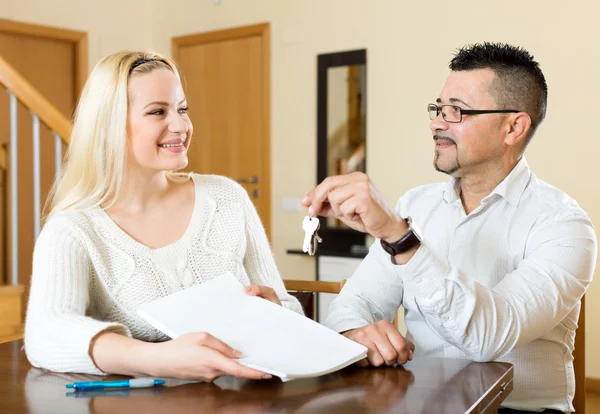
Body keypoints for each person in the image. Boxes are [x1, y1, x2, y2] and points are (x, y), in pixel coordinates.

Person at [302, 42, 596, 413]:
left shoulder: (564, 224)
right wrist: (355, 333)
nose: (437, 122)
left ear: (513, 127)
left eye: (457, 110)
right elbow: (355, 304)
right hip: (419, 402)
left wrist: (400, 238)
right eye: (438, 108)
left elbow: (491, 336)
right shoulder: (416, 205)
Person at [24, 51, 302, 382]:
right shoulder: (73, 231)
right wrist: (159, 359)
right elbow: (45, 334)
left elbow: (287, 306)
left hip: (248, 398)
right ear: (109, 126)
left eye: (182, 109)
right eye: (158, 111)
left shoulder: (227, 198)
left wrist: (277, 312)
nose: (181, 125)